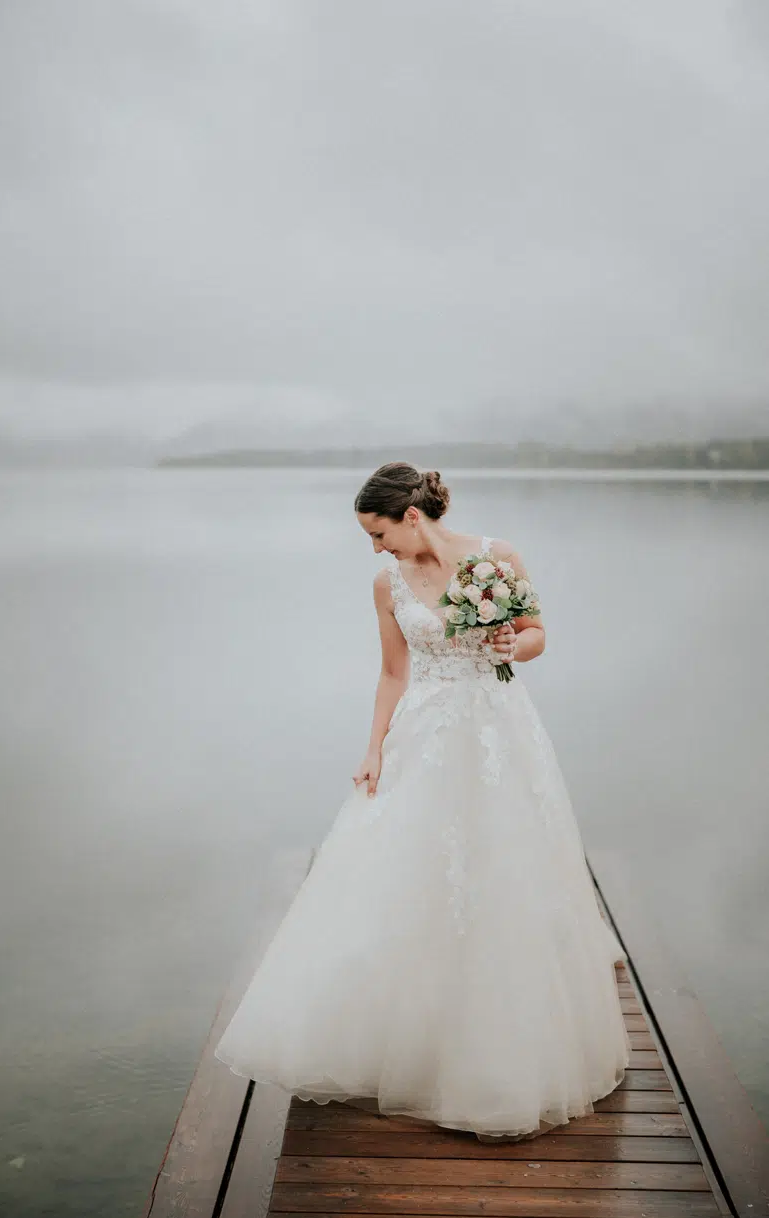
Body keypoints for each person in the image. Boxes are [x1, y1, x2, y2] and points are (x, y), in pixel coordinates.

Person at [214, 461, 631, 1141]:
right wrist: (374, 747)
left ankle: (502, 1042)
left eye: (376, 532)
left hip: (499, 731)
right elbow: (391, 671)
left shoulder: (498, 557)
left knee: (506, 868)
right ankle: (412, 1033)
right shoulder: (386, 583)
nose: (373, 548)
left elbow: (535, 633)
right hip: (426, 734)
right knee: (410, 870)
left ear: (411, 515)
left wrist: (511, 642)